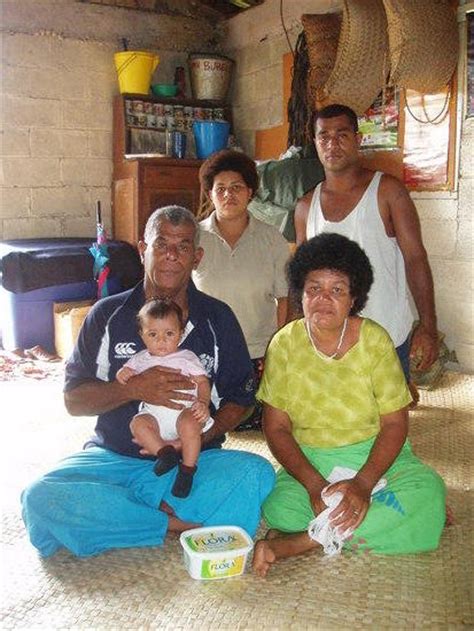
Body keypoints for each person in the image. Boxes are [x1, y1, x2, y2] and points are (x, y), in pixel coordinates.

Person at [21, 205, 275, 558]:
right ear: (143, 250)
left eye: (183, 246)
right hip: (115, 459)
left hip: (192, 462)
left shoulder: (218, 317)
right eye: (161, 244)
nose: (171, 255)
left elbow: (241, 399)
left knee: (257, 473)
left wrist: (200, 436)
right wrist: (133, 389)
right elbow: (73, 400)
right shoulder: (106, 314)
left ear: (197, 257)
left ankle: (127, 514)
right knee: (40, 498)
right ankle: (169, 523)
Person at [252, 233, 446, 577]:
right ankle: (332, 528)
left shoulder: (374, 341)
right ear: (300, 293)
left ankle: (300, 543)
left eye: (337, 290)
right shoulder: (283, 344)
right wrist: (314, 485)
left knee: (427, 494)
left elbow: (395, 424)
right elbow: (276, 428)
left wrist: (363, 484)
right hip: (313, 461)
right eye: (314, 289)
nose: (324, 299)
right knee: (279, 508)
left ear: (354, 297)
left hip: (377, 459)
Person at [294, 103, 439, 379]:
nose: (332, 144)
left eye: (342, 135)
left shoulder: (387, 191)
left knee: (388, 422)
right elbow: (301, 278)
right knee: (332, 421)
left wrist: (428, 326)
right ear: (315, 143)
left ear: (358, 140)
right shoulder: (305, 207)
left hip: (384, 336)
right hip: (327, 341)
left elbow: (415, 259)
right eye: (324, 136)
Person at [193, 149, 289, 430]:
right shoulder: (194, 236)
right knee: (201, 419)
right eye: (220, 188)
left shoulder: (272, 239)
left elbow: (285, 298)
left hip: (257, 352)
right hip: (204, 352)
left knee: (261, 420)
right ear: (210, 194)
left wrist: (278, 352)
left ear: (250, 192)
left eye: (236, 188)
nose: (228, 195)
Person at [116, 299, 214, 498]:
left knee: (190, 424)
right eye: (153, 334)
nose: (161, 341)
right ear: (142, 335)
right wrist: (123, 375)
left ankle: (187, 470)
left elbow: (203, 382)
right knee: (138, 423)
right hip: (154, 414)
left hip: (184, 410)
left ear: (181, 333)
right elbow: (124, 375)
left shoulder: (187, 357)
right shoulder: (140, 358)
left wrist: (203, 402)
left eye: (169, 334)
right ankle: (164, 454)